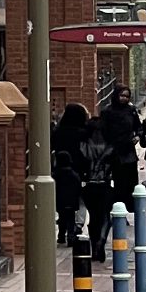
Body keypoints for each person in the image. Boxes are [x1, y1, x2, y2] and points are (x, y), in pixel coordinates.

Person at [99, 85, 146, 210]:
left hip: (129, 151)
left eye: (127, 96)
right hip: (114, 151)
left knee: (131, 182)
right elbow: (102, 131)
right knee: (118, 182)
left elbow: (139, 127)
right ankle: (118, 207)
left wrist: (137, 136)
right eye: (122, 96)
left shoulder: (131, 110)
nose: (124, 99)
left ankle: (130, 206)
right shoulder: (107, 111)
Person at [76, 119, 117, 260]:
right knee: (105, 216)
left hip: (88, 185)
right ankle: (101, 241)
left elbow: (79, 166)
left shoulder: (83, 146)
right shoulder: (110, 146)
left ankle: (94, 246)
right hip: (106, 184)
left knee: (93, 217)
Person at [50, 104, 90, 244]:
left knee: (62, 200)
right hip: (80, 170)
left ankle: (62, 228)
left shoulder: (58, 131)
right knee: (80, 199)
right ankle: (78, 224)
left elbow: (52, 147)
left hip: (61, 169)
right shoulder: (84, 132)